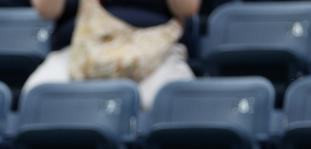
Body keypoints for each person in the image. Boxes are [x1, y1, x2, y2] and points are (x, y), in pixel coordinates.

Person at [23, 0, 200, 110]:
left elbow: (187, 8)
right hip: (79, 53)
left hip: (155, 53)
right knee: (37, 93)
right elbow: (47, 10)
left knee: (176, 98)